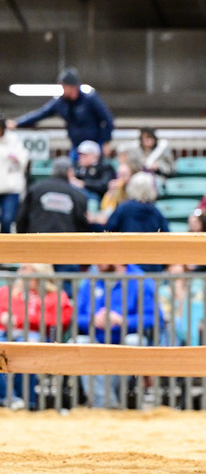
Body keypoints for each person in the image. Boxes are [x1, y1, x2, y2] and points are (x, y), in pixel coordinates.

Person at [74, 263, 163, 408]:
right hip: (97, 338)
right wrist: (93, 320)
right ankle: (108, 403)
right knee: (78, 342)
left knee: (133, 342)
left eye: (102, 257)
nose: (97, 262)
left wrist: (124, 321)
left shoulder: (141, 280)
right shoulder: (89, 280)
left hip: (127, 337)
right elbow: (77, 316)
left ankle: (103, 404)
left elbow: (155, 317)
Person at [0, 263, 73, 410]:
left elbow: (58, 320)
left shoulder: (55, 296)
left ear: (40, 272)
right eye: (21, 268)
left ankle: (27, 402)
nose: (21, 272)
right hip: (6, 334)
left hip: (37, 336)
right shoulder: (7, 291)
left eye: (26, 268)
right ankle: (10, 398)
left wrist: (21, 319)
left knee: (26, 345)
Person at [6, 68, 115, 160]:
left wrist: (106, 141)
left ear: (72, 87)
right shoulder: (61, 102)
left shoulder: (90, 99)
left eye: (64, 86)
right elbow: (42, 113)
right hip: (76, 147)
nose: (62, 89)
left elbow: (107, 119)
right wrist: (17, 123)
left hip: (94, 146)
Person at [104, 172, 169, 272]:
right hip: (152, 267)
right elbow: (167, 236)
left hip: (128, 267)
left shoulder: (124, 208)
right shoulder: (156, 212)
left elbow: (108, 230)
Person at [16, 156, 89, 235]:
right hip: (65, 243)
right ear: (70, 173)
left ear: (53, 171)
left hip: (38, 241)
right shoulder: (77, 195)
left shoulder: (35, 189)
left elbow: (22, 218)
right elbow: (82, 224)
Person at [0, 117, 29, 233]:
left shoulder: (14, 140)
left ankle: (6, 246)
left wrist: (14, 158)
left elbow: (23, 159)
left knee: (7, 219)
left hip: (12, 188)